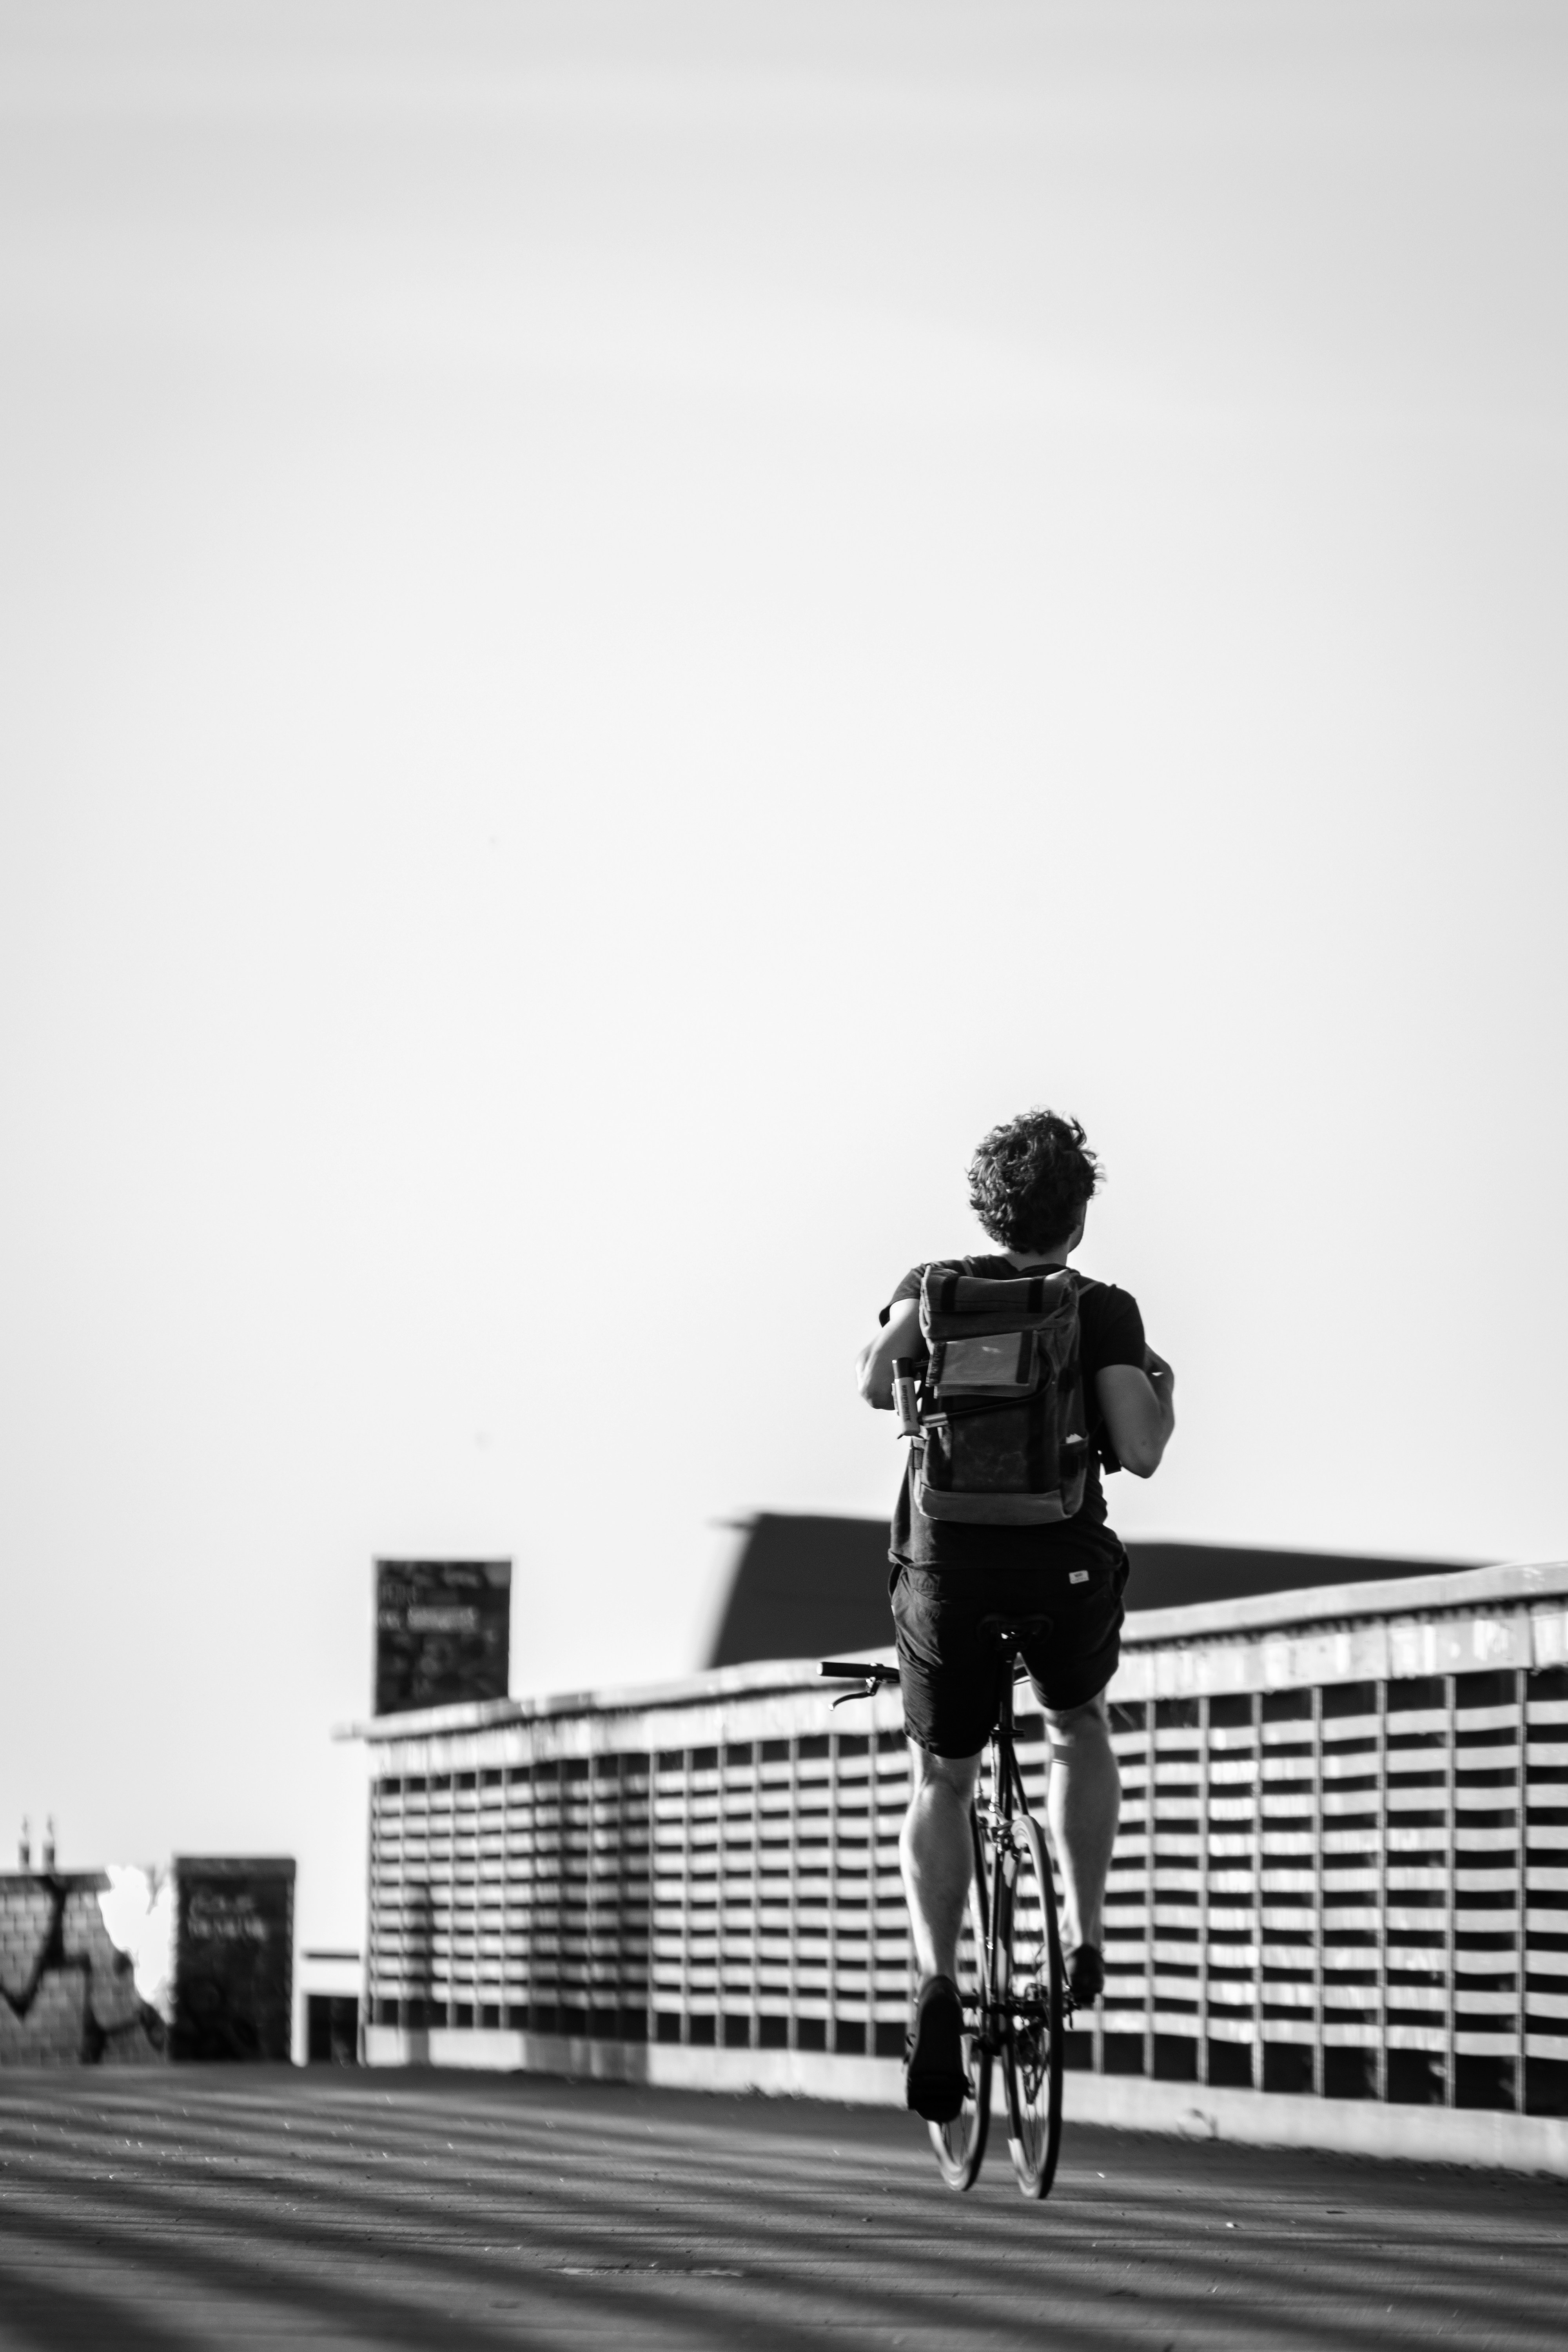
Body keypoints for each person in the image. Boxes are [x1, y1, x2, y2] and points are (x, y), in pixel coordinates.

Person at [855, 1107, 1174, 2123]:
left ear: (985, 1209)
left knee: (941, 1779)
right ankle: (1080, 1936)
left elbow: (871, 1385)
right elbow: (1145, 1445)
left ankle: (937, 1984)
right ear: (1077, 1218)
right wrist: (1162, 1389)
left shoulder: (931, 1290)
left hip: (946, 1567)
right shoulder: (1103, 1309)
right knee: (1077, 1726)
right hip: (1061, 1571)